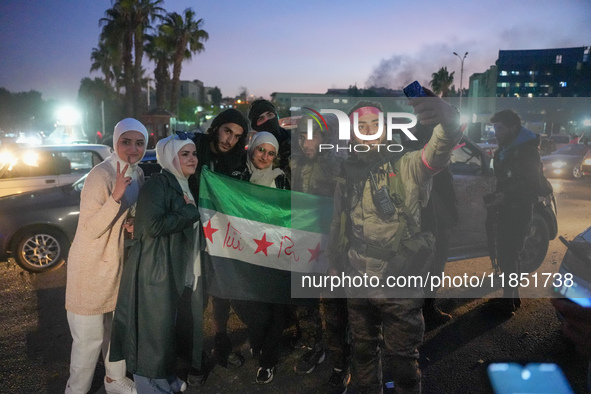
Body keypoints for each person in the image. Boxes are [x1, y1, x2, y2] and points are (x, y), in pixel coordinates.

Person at [327, 94, 462, 393]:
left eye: (376, 123)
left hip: (399, 282)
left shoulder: (408, 165)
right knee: (362, 354)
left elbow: (439, 148)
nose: (369, 129)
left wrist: (450, 118)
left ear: (386, 128)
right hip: (356, 280)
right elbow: (338, 223)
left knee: (402, 362)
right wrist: (335, 265)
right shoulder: (346, 175)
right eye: (361, 124)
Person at [110, 133, 200, 394]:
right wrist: (189, 212)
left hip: (168, 268)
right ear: (171, 158)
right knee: (152, 335)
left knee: (163, 331)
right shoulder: (158, 185)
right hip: (154, 270)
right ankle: (151, 387)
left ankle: (165, 379)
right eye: (185, 154)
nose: (192, 158)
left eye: (193, 153)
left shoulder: (180, 184)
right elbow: (151, 226)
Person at [65, 118, 148, 394]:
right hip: (90, 267)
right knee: (89, 340)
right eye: (126, 142)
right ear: (115, 142)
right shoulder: (100, 175)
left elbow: (132, 213)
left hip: (117, 264)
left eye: (139, 143)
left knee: (116, 330)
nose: (133, 149)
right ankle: (76, 390)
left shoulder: (137, 174)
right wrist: (115, 198)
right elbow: (89, 230)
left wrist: (133, 222)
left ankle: (114, 380)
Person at [291, 114, 352, 393]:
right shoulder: (296, 164)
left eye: (311, 136)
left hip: (331, 250)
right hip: (303, 247)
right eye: (302, 137)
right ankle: (315, 347)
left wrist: (338, 254)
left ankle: (341, 363)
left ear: (325, 138)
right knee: (305, 305)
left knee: (334, 309)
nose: (306, 142)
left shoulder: (339, 166)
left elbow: (345, 213)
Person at [187, 108, 250, 377]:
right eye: (227, 131)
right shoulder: (193, 148)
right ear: (217, 127)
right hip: (190, 235)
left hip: (220, 237)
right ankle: (194, 357)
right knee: (193, 299)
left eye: (236, 136)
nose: (229, 140)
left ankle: (221, 344)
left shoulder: (237, 159)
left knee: (221, 293)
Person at [232, 131, 290, 384]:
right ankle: (257, 341)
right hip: (245, 255)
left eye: (270, 153)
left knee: (276, 311)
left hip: (276, 254)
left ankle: (268, 361)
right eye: (260, 150)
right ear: (252, 149)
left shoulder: (281, 180)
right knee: (255, 311)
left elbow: (290, 214)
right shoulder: (236, 177)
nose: (265, 157)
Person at [484, 109, 542, 316]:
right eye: (495, 127)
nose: (496, 132)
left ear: (513, 127)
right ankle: (512, 298)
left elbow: (532, 183)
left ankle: (507, 303)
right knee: (508, 254)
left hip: (519, 208)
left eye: (499, 128)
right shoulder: (505, 149)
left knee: (510, 253)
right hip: (506, 208)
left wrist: (505, 196)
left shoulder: (526, 151)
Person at [248, 99, 292, 172]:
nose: (267, 120)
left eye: (270, 115)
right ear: (255, 126)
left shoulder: (295, 142)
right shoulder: (253, 154)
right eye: (261, 118)